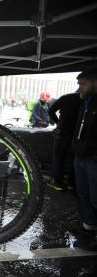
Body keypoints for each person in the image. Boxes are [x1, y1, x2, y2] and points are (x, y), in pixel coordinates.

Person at [71, 68, 97, 251]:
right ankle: (88, 227)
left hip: (94, 160)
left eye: (83, 84)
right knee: (83, 194)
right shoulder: (85, 102)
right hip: (80, 157)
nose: (79, 87)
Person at [48, 91, 81, 191]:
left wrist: (58, 122)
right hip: (76, 134)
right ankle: (71, 183)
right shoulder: (86, 100)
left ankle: (57, 183)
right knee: (72, 159)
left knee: (59, 158)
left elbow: (51, 111)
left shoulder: (66, 97)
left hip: (63, 132)